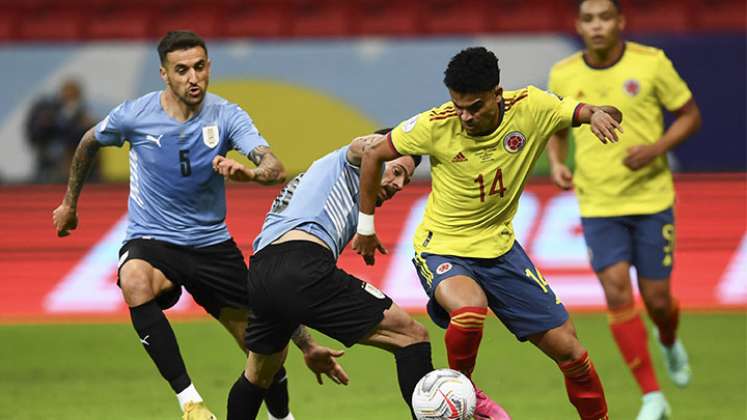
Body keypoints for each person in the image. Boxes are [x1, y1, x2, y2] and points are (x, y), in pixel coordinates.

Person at [51, 31, 345, 420]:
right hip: (153, 239)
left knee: (264, 348)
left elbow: (272, 164)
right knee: (134, 279)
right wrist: (69, 203)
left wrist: (252, 173)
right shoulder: (135, 115)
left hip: (211, 246)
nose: (193, 78)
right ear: (164, 74)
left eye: (200, 67)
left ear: (209, 67)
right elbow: (89, 141)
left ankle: (281, 416)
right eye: (182, 70)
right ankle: (189, 401)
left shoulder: (226, 115)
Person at [354, 46, 624, 420]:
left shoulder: (532, 106)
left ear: (498, 94)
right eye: (457, 105)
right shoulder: (435, 124)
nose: (463, 116)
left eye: (474, 107)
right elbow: (373, 155)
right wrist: (365, 226)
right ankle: (464, 392)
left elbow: (580, 111)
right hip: (443, 247)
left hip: (501, 249)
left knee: (572, 354)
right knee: (469, 310)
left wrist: (597, 115)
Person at [546, 1, 702, 419]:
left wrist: (657, 149)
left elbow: (689, 115)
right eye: (589, 19)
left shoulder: (652, 63)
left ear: (620, 22)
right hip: (598, 203)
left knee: (658, 301)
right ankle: (652, 396)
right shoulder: (564, 73)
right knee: (616, 290)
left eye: (605, 18)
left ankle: (668, 339)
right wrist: (559, 163)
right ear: (579, 26)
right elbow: (557, 126)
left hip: (651, 201)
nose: (597, 26)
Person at [224, 131, 435, 420]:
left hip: (263, 273)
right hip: (303, 262)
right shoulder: (351, 160)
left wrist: (308, 346)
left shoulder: (325, 180)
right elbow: (364, 147)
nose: (399, 185)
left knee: (258, 375)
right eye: (397, 172)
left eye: (406, 180)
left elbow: (284, 289)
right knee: (411, 336)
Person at [25, 78, 95, 183]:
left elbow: (81, 139)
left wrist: (85, 126)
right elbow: (35, 133)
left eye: (74, 96)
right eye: (68, 95)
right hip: (49, 161)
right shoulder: (48, 109)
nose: (71, 100)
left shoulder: (81, 115)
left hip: (72, 160)